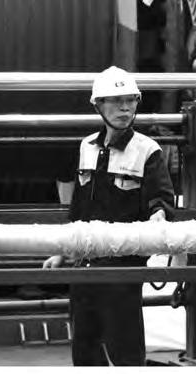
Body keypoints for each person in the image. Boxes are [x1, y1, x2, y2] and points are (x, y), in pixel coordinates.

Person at [44, 66, 175, 366]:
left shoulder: (147, 150)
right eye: (116, 101)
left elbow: (162, 201)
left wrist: (159, 217)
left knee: (125, 349)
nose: (125, 108)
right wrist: (62, 250)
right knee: (85, 347)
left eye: (130, 100)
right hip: (84, 265)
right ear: (98, 105)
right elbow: (78, 209)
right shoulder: (86, 147)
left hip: (123, 269)